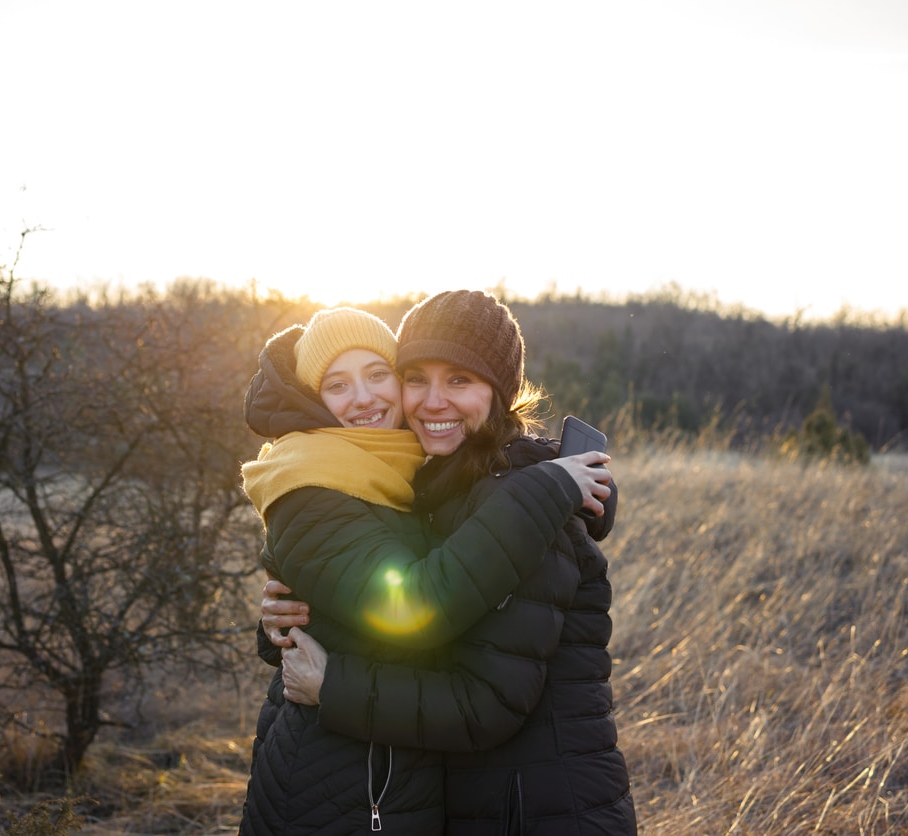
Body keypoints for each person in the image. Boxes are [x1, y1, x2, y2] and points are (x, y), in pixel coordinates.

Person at [263, 290, 637, 834]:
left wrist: (333, 686)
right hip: (477, 803)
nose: (433, 402)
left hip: (540, 811)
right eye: (417, 378)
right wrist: (293, 615)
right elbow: (390, 605)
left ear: (500, 392)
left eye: (459, 380)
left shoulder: (526, 506)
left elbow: (484, 704)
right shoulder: (431, 487)